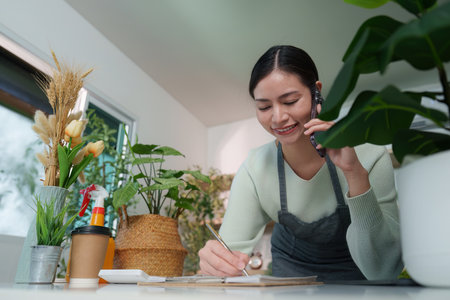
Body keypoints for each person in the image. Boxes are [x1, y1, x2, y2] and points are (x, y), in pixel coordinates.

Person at [198, 45, 403, 281]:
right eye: (264, 106)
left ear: (316, 92)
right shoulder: (255, 169)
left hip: (360, 283)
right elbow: (229, 254)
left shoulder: (370, 156)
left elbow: (384, 270)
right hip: (290, 283)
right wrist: (217, 263)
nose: (277, 118)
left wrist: (354, 173)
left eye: (290, 101)